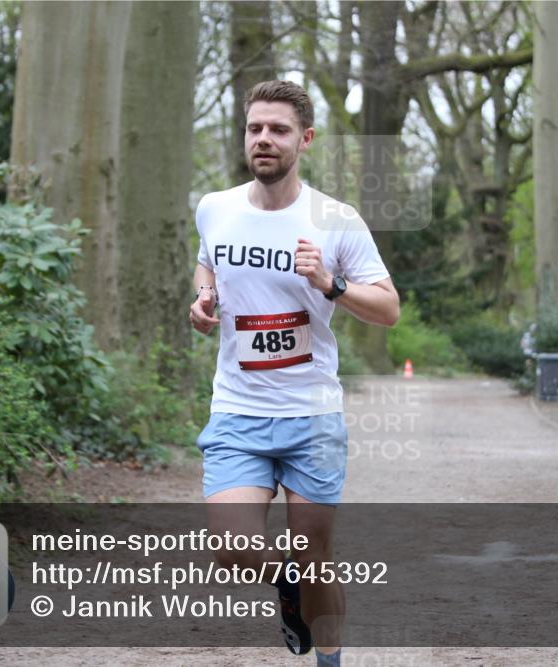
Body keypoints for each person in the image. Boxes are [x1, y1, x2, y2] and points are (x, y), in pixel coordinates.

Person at [189, 80, 399, 667]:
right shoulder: (215, 207)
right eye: (255, 128)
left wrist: (330, 283)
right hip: (237, 408)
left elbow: (389, 308)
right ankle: (288, 588)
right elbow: (207, 264)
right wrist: (203, 300)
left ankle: (328, 658)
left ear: (304, 140)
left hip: (312, 415)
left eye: (278, 130)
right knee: (232, 548)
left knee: (316, 556)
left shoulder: (336, 219)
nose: (264, 140)